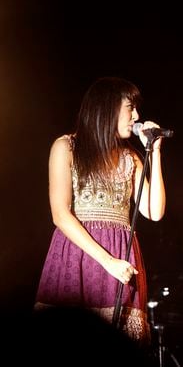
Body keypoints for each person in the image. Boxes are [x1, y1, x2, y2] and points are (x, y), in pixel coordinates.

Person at [34, 76, 167, 345]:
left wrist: (155, 152)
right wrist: (106, 261)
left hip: (121, 254)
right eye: (130, 107)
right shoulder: (66, 147)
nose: (137, 116)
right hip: (79, 254)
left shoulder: (131, 158)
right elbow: (60, 213)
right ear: (107, 108)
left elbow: (154, 211)